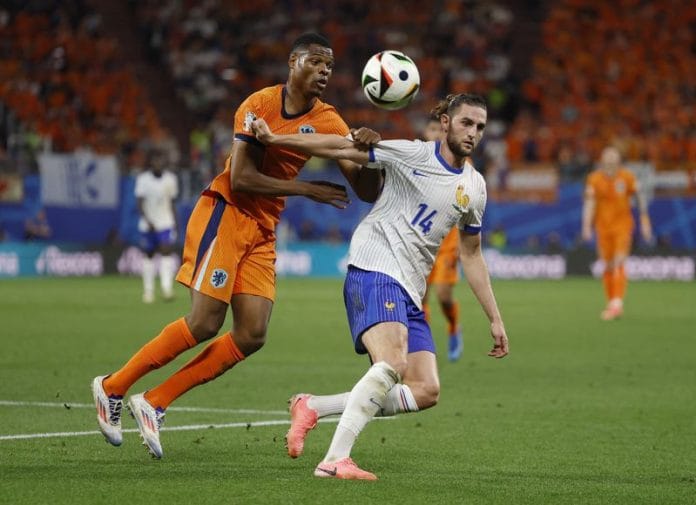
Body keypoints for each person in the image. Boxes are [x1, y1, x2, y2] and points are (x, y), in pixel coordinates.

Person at [91, 33, 381, 458]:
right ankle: (112, 387)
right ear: (293, 62)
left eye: (330, 66)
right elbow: (241, 178)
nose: (324, 71)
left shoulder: (330, 121)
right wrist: (306, 188)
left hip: (262, 228)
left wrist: (368, 155)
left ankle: (155, 401)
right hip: (226, 211)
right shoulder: (258, 105)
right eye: (316, 62)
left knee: (252, 333)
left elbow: (366, 190)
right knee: (205, 321)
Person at [252, 92, 509, 480]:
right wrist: (275, 139)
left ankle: (313, 407)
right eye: (466, 123)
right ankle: (335, 459)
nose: (473, 132)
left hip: (409, 286)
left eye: (480, 127)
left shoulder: (475, 187)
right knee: (392, 363)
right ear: (446, 123)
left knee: (425, 389)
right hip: (375, 264)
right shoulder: (414, 154)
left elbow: (472, 255)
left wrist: (495, 318)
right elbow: (341, 147)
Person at [581, 146, 652, 320]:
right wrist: (586, 226)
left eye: (614, 156)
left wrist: (644, 221)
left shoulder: (627, 177)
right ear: (602, 160)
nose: (611, 159)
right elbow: (590, 203)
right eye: (608, 156)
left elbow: (639, 198)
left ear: (619, 160)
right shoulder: (594, 179)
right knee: (607, 266)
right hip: (603, 228)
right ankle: (611, 302)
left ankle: (617, 304)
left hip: (623, 226)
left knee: (619, 261)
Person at [421, 111, 463, 361]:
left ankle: (454, 327)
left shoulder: (461, 162)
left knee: (444, 296)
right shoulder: (417, 160)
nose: (437, 134)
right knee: (420, 297)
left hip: (447, 242)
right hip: (421, 242)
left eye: (440, 130)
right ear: (425, 133)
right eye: (432, 129)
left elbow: (470, 203)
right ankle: (425, 345)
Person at [134, 149, 179, 303]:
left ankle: (167, 289)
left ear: (164, 163)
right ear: (151, 163)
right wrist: (147, 220)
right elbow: (139, 203)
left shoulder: (171, 179)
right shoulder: (143, 180)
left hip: (165, 222)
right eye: (155, 160)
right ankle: (148, 291)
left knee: (166, 252)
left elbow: (172, 203)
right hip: (148, 225)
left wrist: (176, 223)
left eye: (160, 160)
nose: (158, 163)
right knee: (149, 255)